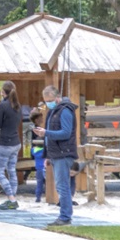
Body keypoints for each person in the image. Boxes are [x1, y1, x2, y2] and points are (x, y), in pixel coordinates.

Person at [34, 85, 78, 226]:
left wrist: (45, 133)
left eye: (50, 100)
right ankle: (65, 215)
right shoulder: (55, 110)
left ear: (58, 98)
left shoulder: (64, 111)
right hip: (57, 153)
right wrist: (48, 155)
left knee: (62, 186)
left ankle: (65, 216)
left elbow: (65, 133)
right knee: (61, 185)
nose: (48, 103)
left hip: (63, 153)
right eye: (46, 100)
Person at [0, 80, 23, 210]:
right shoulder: (17, 106)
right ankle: (13, 198)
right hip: (16, 142)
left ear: (3, 92)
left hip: (5, 142)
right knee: (12, 171)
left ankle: (11, 198)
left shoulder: (3, 106)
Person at [28, 107, 47, 203]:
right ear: (36, 120)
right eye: (41, 118)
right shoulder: (37, 130)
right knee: (46, 180)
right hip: (42, 159)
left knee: (39, 181)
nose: (43, 120)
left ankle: (38, 197)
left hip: (38, 161)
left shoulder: (34, 150)